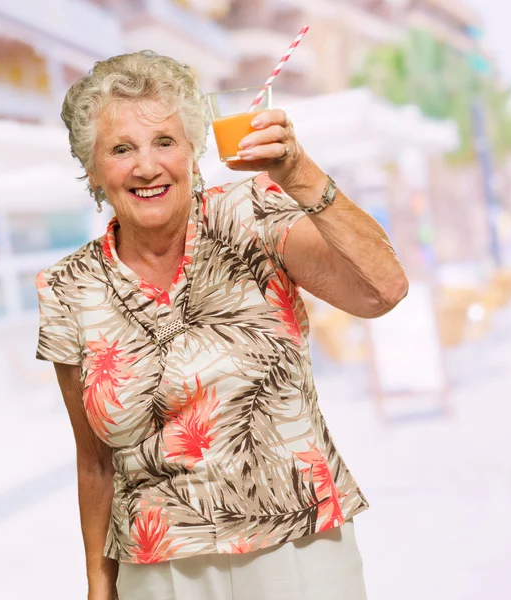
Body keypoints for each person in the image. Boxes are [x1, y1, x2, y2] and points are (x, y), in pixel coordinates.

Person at [35, 51, 408, 600]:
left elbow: (383, 290)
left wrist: (298, 172)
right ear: (91, 168)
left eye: (165, 142)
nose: (145, 166)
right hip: (156, 569)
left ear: (192, 150)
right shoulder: (68, 286)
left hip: (297, 548)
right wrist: (98, 584)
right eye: (121, 149)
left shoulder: (252, 212)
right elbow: (94, 464)